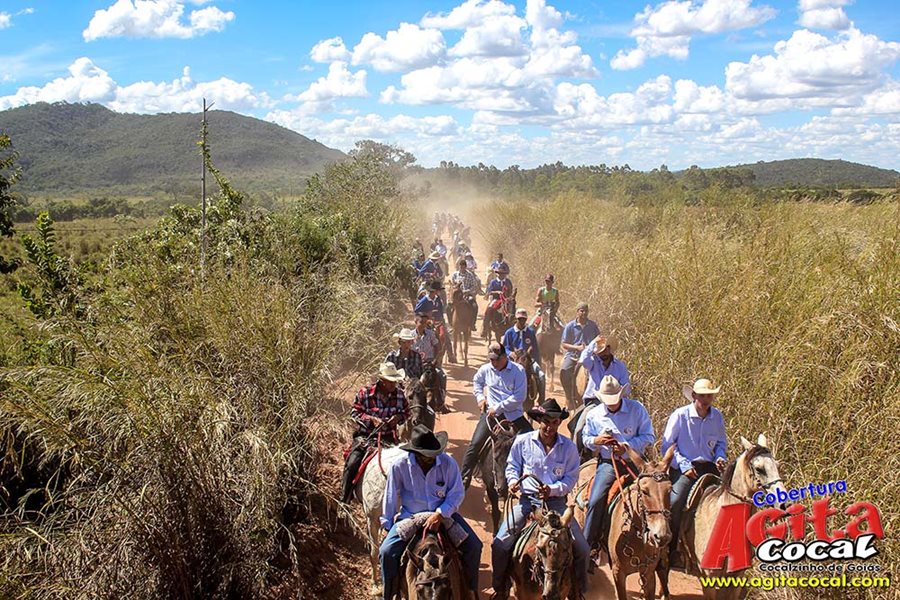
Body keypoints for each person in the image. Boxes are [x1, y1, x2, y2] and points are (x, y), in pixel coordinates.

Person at [490, 399, 590, 599]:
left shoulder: (568, 447)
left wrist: (552, 490)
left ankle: (578, 590)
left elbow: (571, 478)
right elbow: (512, 467)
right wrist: (512, 482)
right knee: (500, 544)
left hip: (557, 505)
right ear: (538, 420)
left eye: (554, 422)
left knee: (582, 548)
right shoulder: (522, 441)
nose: (549, 426)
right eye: (546, 421)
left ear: (559, 423)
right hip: (528, 502)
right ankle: (500, 588)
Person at [380, 425, 483, 600]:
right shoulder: (400, 466)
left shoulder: (448, 463)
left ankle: (471, 591)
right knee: (387, 551)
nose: (431, 458)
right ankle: (388, 594)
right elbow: (390, 496)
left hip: (444, 516)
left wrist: (441, 513)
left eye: (433, 454)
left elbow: (457, 493)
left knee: (474, 546)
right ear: (416, 452)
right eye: (426, 455)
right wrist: (387, 524)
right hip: (410, 518)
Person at [581, 375, 655, 553]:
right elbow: (585, 439)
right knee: (596, 499)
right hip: (609, 464)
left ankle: (661, 546)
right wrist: (597, 440)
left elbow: (649, 436)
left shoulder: (637, 409)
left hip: (637, 462)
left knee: (657, 494)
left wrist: (627, 447)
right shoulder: (594, 415)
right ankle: (588, 546)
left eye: (614, 399)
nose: (612, 403)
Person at [662, 378, 727, 567]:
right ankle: (671, 549)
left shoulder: (717, 417)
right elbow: (667, 445)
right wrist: (684, 466)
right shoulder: (680, 415)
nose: (706, 399)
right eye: (703, 395)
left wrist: (720, 457)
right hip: (685, 468)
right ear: (694, 396)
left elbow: (721, 443)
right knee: (675, 501)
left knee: (730, 500)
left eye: (709, 396)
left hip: (710, 466)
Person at [460, 342, 533, 488]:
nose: (493, 362)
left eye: (496, 359)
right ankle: (464, 477)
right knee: (475, 444)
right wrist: (480, 398)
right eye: (491, 359)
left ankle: (535, 480)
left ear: (505, 357)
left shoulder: (518, 371)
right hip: (491, 418)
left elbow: (519, 397)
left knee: (533, 442)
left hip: (514, 416)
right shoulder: (485, 369)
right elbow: (477, 382)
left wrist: (498, 407)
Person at [340, 362, 409, 504]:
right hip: (367, 437)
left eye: (395, 382)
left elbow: (407, 412)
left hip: (389, 438)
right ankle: (345, 499)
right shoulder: (365, 393)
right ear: (382, 381)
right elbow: (354, 412)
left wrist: (398, 418)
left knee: (407, 464)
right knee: (352, 463)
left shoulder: (400, 395)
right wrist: (371, 420)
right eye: (390, 382)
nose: (393, 385)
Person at [558, 303, 601, 409]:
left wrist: (593, 348)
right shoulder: (570, 326)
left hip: (590, 356)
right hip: (574, 355)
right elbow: (564, 344)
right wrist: (576, 348)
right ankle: (568, 397)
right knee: (564, 370)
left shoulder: (593, 326)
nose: (584, 313)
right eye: (581, 311)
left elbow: (599, 339)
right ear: (577, 312)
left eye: (586, 311)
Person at [502, 307, 546, 402]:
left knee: (542, 376)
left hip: (529, 360)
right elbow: (504, 348)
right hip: (513, 360)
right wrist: (510, 353)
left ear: (526, 319)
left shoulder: (530, 332)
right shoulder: (509, 332)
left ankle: (541, 399)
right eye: (519, 319)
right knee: (502, 376)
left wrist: (537, 361)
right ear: (516, 319)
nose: (521, 321)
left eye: (523, 319)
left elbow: (536, 349)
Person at [411, 314, 447, 393]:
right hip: (415, 365)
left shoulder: (430, 334)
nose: (423, 325)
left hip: (429, 363)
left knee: (441, 375)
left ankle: (442, 396)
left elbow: (437, 346)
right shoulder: (410, 335)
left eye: (425, 323)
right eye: (421, 322)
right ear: (415, 322)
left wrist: (435, 359)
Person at [449, 256, 481, 332]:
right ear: (459, 267)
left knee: (474, 306)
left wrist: (467, 291)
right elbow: (452, 286)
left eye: (463, 267)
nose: (462, 269)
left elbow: (474, 286)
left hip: (467, 295)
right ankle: (452, 324)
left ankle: (472, 323)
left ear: (465, 267)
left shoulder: (470, 275)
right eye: (461, 267)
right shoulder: (455, 275)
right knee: (448, 307)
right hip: (456, 296)